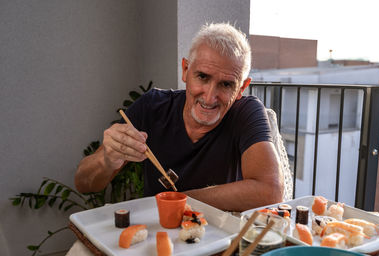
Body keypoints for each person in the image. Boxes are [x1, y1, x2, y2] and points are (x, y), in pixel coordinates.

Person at [74, 23, 283, 212]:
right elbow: (84, 183)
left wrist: (179, 200)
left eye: (226, 84)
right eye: (202, 76)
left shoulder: (246, 112)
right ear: (185, 70)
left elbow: (270, 191)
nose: (210, 98)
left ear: (241, 89)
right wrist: (107, 159)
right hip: (156, 235)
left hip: (217, 237)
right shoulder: (152, 106)